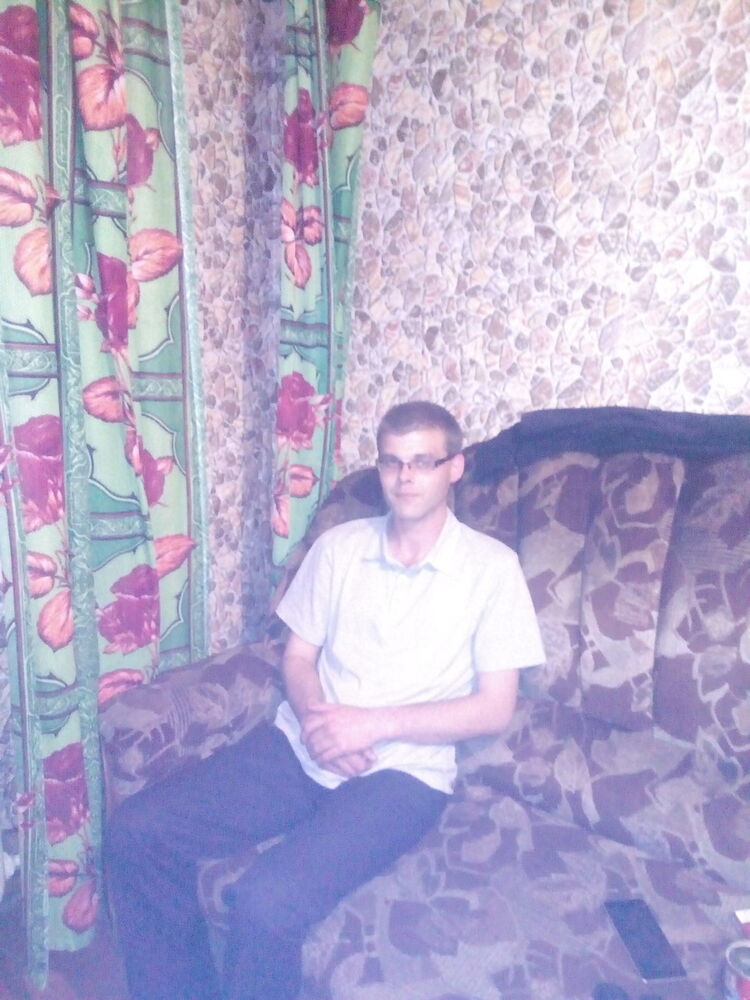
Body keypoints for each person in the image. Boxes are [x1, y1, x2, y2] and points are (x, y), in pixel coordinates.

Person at [105, 400, 545, 1000]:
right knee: (137, 832)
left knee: (265, 901)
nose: (405, 477)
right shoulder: (339, 548)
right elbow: (297, 657)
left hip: (403, 773)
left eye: (423, 462)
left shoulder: (493, 569)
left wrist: (369, 727)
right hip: (302, 744)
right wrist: (318, 724)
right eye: (391, 462)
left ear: (456, 467)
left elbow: (494, 708)